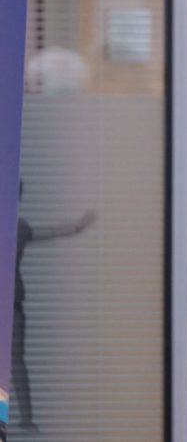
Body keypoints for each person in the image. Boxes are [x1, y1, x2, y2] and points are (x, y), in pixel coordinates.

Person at [12, 181, 95, 432]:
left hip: (12, 302)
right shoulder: (19, 227)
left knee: (15, 361)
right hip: (13, 301)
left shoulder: (19, 228)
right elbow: (54, 232)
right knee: (15, 361)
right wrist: (76, 226)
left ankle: (25, 418)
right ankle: (24, 419)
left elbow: (53, 232)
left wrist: (76, 226)